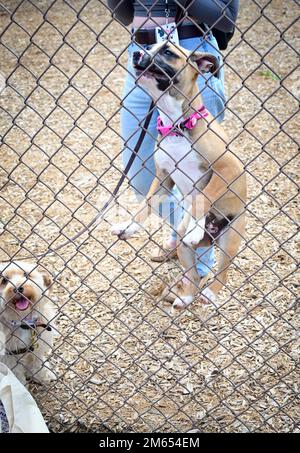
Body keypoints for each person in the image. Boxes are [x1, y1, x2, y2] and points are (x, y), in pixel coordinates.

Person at [108, 0, 239, 280]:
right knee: (144, 173)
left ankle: (198, 269)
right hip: (143, 53)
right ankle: (179, 231)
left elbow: (227, 19)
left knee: (201, 175)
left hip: (189, 59)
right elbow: (122, 11)